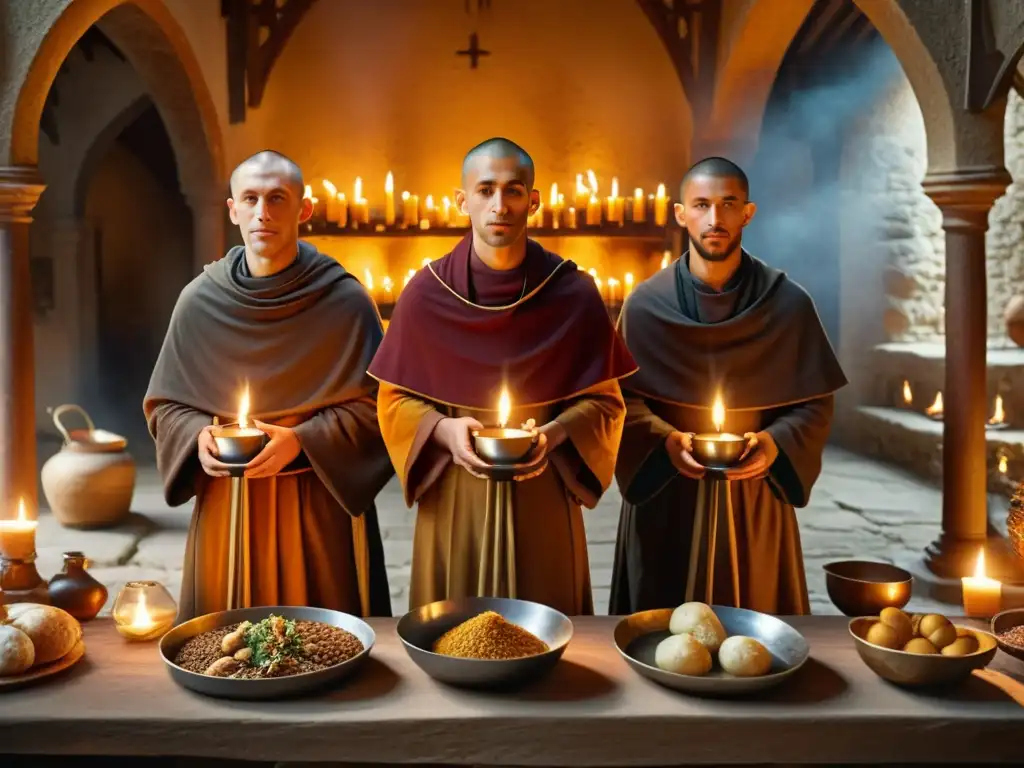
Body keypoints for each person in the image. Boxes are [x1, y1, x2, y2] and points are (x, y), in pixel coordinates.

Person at [368, 137, 636, 615]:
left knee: (548, 632)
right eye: (485, 189)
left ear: (533, 200)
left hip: (543, 494)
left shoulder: (573, 293)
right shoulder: (425, 294)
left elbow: (607, 404)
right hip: (456, 495)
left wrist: (555, 434)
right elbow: (391, 402)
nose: (499, 204)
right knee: (454, 632)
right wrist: (443, 430)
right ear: (462, 200)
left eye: (513, 191)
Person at [144, 150, 394, 621]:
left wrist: (303, 441)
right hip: (228, 501)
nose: (263, 212)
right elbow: (167, 404)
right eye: (251, 199)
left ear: (304, 210)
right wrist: (197, 437)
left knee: (320, 644)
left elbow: (380, 409)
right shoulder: (199, 301)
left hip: (317, 505)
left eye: (277, 198)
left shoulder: (345, 301)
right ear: (233, 209)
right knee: (223, 646)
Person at [609, 156, 847, 615]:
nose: (714, 219)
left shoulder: (789, 305)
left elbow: (814, 404)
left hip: (752, 497)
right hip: (667, 497)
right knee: (660, 633)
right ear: (681, 214)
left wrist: (775, 446)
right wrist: (665, 441)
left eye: (727, 204)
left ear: (747, 213)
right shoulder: (644, 305)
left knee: (753, 634)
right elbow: (621, 400)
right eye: (701, 204)